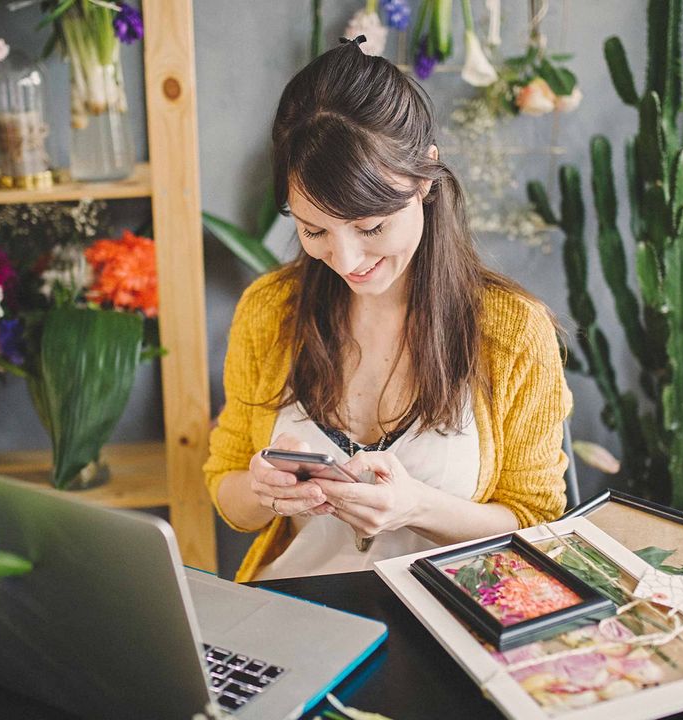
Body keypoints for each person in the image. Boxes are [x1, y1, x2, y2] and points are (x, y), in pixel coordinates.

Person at [202, 35, 573, 583]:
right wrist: (264, 491)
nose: (346, 259)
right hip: (298, 607)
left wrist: (415, 508)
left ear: (424, 177)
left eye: (370, 226)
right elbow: (227, 492)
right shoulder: (269, 311)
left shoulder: (512, 331)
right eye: (314, 230)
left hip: (455, 622)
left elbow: (539, 526)